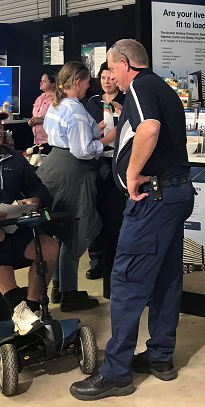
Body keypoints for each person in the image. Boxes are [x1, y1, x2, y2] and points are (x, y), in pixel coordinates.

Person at [70, 39, 194, 401]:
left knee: (126, 281)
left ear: (125, 63)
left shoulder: (140, 87)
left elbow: (149, 129)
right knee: (166, 277)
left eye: (112, 69)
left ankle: (116, 373)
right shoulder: (163, 88)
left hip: (153, 198)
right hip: (176, 194)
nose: (110, 77)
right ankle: (160, 357)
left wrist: (133, 173)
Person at [38, 61, 116, 312]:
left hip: (53, 168)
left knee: (59, 232)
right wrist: (106, 139)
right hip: (73, 174)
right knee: (75, 233)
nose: (89, 87)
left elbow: (64, 134)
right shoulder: (77, 110)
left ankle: (59, 288)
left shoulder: (56, 105)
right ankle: (70, 294)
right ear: (78, 81)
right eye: (87, 82)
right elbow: (83, 150)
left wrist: (95, 129)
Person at [0, 106, 58, 335]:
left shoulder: (16, 159)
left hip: (14, 226)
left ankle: (31, 308)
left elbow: (39, 189)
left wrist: (35, 200)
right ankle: (18, 309)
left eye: (0, 125)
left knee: (50, 247)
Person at [84, 62, 126, 280]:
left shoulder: (127, 100)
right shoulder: (92, 102)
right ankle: (97, 260)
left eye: (110, 77)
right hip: (96, 160)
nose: (107, 82)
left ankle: (118, 259)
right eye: (103, 78)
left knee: (116, 212)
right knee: (95, 210)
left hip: (119, 161)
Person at [28, 71, 55, 148]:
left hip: (50, 142)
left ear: (53, 84)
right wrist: (32, 121)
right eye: (41, 80)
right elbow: (36, 117)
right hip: (37, 140)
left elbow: (60, 120)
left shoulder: (57, 99)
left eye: (44, 81)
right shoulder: (39, 98)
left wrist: (42, 120)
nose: (41, 83)